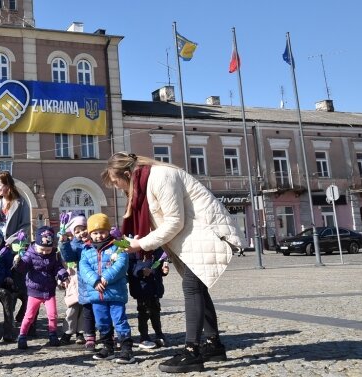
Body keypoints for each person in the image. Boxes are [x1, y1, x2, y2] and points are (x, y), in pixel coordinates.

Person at [102, 152, 243, 373]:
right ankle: (214, 345)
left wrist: (140, 245)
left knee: (192, 288)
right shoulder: (149, 181)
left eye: (118, 184)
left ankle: (192, 352)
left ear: (128, 174)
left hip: (206, 235)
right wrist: (138, 240)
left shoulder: (160, 177)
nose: (121, 190)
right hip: (193, 239)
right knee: (199, 290)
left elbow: (174, 221)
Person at [78, 213, 136, 364]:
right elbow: (83, 268)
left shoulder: (118, 246)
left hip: (115, 293)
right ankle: (107, 347)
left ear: (108, 231)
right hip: (97, 293)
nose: (98, 236)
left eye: (102, 232)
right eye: (95, 233)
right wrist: (95, 280)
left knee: (119, 320)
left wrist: (105, 277)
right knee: (102, 322)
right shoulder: (86, 250)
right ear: (90, 234)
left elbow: (121, 265)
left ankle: (126, 349)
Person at [14, 225, 67, 350]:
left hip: (49, 291)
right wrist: (18, 262)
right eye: (42, 249)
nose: (44, 252)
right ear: (36, 245)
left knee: (53, 315)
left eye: (47, 250)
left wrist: (63, 275)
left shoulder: (53, 255)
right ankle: (22, 336)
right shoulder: (30, 253)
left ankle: (53, 334)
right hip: (34, 291)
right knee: (29, 316)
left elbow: (57, 267)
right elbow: (23, 267)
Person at [57, 213, 95, 349]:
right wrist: (64, 242)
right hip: (75, 281)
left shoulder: (93, 243)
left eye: (84, 229)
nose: (81, 233)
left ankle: (80, 333)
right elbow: (68, 257)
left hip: (89, 283)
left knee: (85, 309)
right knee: (73, 308)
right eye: (77, 231)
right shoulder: (74, 244)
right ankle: (67, 333)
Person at [128, 247, 169, 349]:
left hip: (155, 287)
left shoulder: (158, 249)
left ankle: (159, 333)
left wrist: (164, 271)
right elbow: (130, 267)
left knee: (156, 312)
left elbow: (159, 266)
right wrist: (141, 271)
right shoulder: (134, 249)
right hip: (142, 288)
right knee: (143, 313)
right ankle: (144, 336)